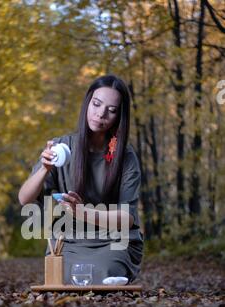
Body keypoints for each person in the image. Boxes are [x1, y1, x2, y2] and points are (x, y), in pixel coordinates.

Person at [18, 74, 144, 284]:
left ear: (119, 116)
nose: (101, 114)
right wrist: (44, 170)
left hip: (113, 241)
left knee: (101, 272)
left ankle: (114, 275)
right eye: (96, 104)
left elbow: (127, 218)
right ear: (87, 103)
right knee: (71, 276)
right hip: (69, 241)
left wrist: (81, 211)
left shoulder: (126, 157)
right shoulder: (61, 146)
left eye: (111, 110)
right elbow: (24, 199)